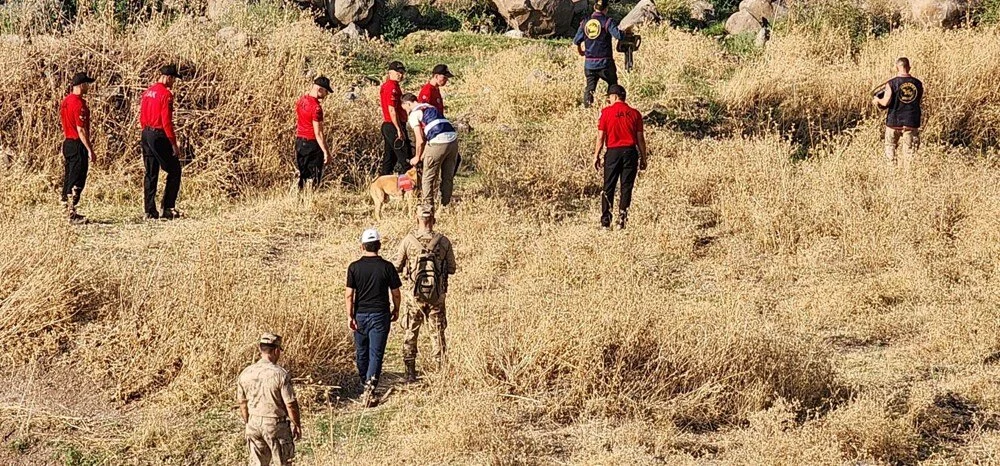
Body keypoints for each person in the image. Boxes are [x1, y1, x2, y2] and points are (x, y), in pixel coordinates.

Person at [392, 210, 457, 383]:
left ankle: (410, 373)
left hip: (414, 297)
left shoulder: (408, 241)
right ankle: (440, 372)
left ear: (417, 219)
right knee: (437, 334)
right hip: (437, 297)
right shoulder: (443, 241)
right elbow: (452, 268)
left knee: (411, 333)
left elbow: (397, 267)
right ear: (433, 220)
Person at [346, 228, 402, 407]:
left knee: (361, 351)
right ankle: (370, 388)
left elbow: (349, 295)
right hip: (380, 315)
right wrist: (396, 309)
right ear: (379, 245)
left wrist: (350, 315)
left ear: (362, 246)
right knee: (376, 353)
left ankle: (365, 382)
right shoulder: (387, 267)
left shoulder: (354, 267)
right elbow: (396, 293)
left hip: (360, 315)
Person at [237, 333, 302, 466]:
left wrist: (248, 422)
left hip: (253, 423)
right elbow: (290, 404)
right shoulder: (280, 374)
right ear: (276, 350)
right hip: (275, 425)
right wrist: (297, 424)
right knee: (283, 462)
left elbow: (242, 403)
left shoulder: (246, 372)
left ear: (260, 349)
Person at [593, 84, 647, 229]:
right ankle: (622, 219)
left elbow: (600, 137)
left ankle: (605, 221)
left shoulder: (606, 113)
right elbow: (640, 138)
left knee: (608, 186)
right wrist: (643, 157)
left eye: (609, 97)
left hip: (613, 152)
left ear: (614, 96)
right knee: (626, 186)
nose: (608, 100)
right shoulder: (635, 114)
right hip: (630, 152)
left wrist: (596, 155)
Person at [402, 93, 458, 215]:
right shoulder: (430, 107)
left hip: (438, 141)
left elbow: (420, 139)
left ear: (408, 103)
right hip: (453, 140)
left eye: (405, 108)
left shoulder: (414, 114)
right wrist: (423, 154)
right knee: (447, 176)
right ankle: (445, 205)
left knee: (427, 178)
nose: (406, 111)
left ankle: (428, 208)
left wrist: (417, 157)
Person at [139, 64, 183, 220]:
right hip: (158, 134)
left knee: (150, 172)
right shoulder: (166, 95)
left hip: (146, 133)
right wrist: (173, 143)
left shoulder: (147, 92)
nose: (173, 83)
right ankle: (168, 207)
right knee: (174, 169)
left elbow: (141, 116)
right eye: (173, 79)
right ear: (169, 78)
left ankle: (149, 210)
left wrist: (146, 131)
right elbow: (167, 121)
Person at [873, 57, 923, 171]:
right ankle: (908, 179)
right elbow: (918, 101)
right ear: (909, 67)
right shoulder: (918, 84)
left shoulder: (891, 83)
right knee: (910, 154)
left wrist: (877, 100)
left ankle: (893, 175)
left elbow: (885, 102)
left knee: (890, 149)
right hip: (911, 122)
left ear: (897, 67)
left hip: (893, 122)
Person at [59, 72, 96, 224]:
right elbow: (81, 129)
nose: (88, 87)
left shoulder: (66, 101)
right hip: (76, 143)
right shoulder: (78, 104)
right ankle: (70, 213)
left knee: (68, 177)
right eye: (87, 84)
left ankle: (66, 209)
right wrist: (90, 149)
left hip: (67, 142)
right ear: (81, 85)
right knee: (77, 178)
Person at [574, 0, 623, 108]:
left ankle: (587, 110)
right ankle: (612, 108)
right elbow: (619, 36)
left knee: (590, 89)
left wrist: (580, 51)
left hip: (589, 64)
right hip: (605, 63)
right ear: (606, 9)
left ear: (594, 8)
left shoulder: (585, 22)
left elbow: (576, 40)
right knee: (613, 85)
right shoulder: (607, 21)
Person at [294, 76, 333, 191]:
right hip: (312, 144)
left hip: (300, 141)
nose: (326, 95)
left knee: (303, 174)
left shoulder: (302, 100)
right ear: (320, 90)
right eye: (326, 91)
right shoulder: (316, 108)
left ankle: (300, 197)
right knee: (314, 176)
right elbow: (318, 133)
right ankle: (310, 197)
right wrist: (326, 152)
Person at [379, 61, 409, 176]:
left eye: (402, 72)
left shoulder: (388, 85)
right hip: (393, 125)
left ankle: (383, 182)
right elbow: (392, 110)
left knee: (389, 158)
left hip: (389, 125)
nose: (400, 75)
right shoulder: (392, 87)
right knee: (404, 157)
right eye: (398, 72)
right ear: (390, 72)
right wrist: (399, 129)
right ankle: (410, 186)